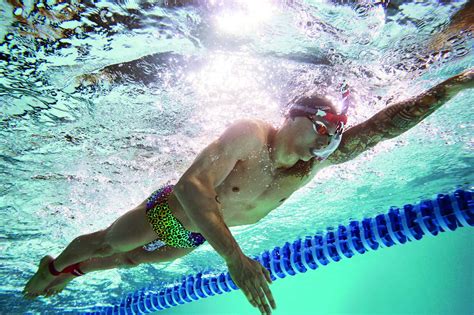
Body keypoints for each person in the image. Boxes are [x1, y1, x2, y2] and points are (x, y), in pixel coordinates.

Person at [23, 68, 473, 315]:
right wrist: (236, 259)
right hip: (172, 213)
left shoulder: (317, 162)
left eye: (336, 133)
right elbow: (192, 185)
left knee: (130, 258)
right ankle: (54, 267)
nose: (329, 141)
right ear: (295, 116)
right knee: (111, 241)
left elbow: (384, 127)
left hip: (199, 234)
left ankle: (72, 275)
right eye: (324, 128)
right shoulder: (250, 137)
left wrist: (452, 87)